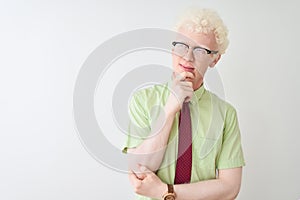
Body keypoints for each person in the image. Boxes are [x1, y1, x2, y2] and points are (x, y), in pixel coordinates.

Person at [123, 8, 245, 200]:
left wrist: (164, 192)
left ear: (215, 59)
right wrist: (170, 109)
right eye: (182, 46)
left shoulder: (226, 114)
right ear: (172, 49)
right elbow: (139, 170)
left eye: (200, 50)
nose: (188, 57)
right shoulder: (143, 100)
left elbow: (230, 188)